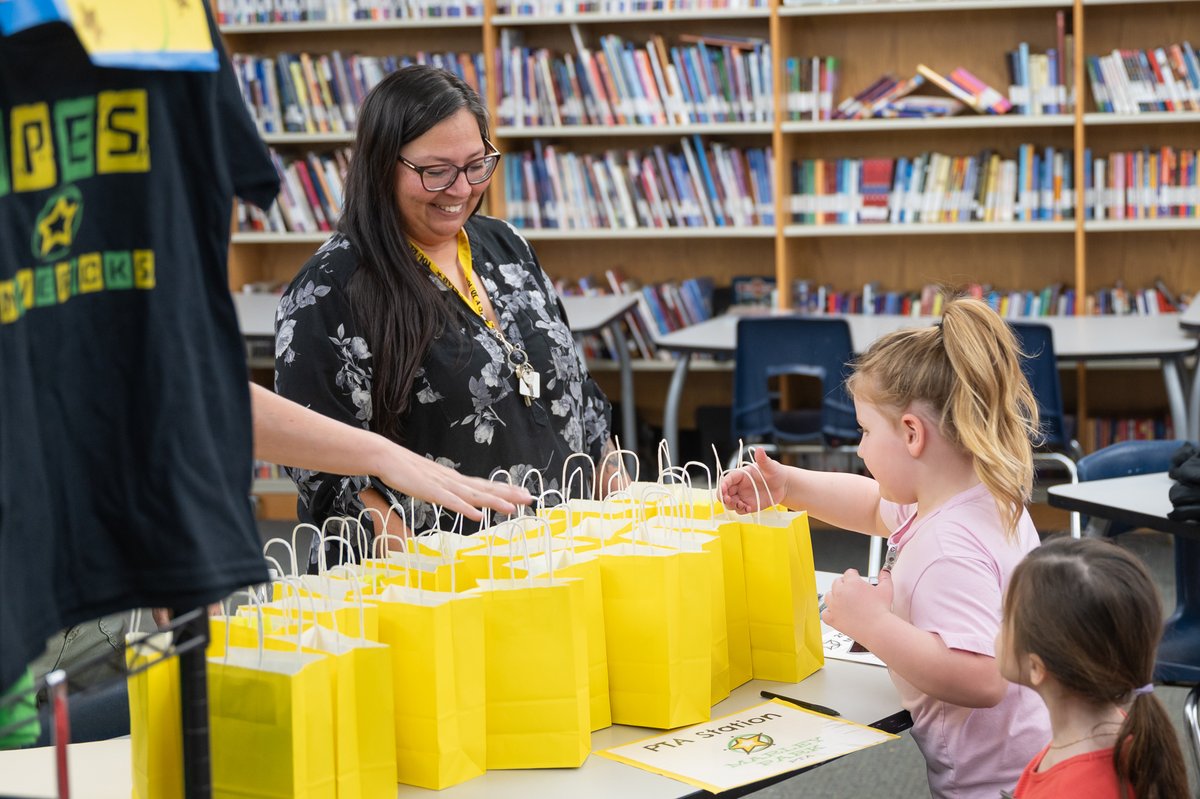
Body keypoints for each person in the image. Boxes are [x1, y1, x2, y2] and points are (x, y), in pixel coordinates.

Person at [275, 64, 618, 564]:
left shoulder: (505, 245)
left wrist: (616, 495)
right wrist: (419, 570)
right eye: (436, 172)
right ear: (380, 165)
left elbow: (576, 389)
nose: (460, 190)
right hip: (430, 578)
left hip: (557, 559)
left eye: (477, 165)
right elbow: (328, 469)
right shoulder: (331, 288)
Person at [720, 296, 1051, 798]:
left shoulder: (948, 546)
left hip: (999, 788)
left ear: (912, 434)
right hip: (1031, 767)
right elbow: (874, 506)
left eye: (865, 431)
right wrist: (787, 486)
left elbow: (983, 679)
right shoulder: (965, 494)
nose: (859, 448)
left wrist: (872, 624)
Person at [999, 536, 1188, 799]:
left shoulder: (1072, 789)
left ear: (1035, 667)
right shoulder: (1128, 732)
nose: (998, 628)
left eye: (1005, 618)